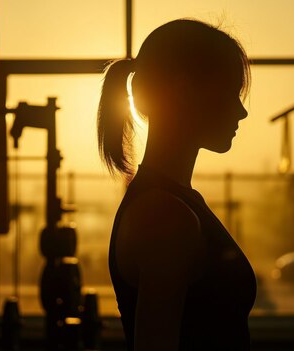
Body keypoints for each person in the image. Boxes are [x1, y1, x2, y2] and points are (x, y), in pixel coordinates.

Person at [97, 19, 256, 351]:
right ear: (184, 91)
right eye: (229, 93)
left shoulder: (175, 203)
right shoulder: (165, 215)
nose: (241, 112)